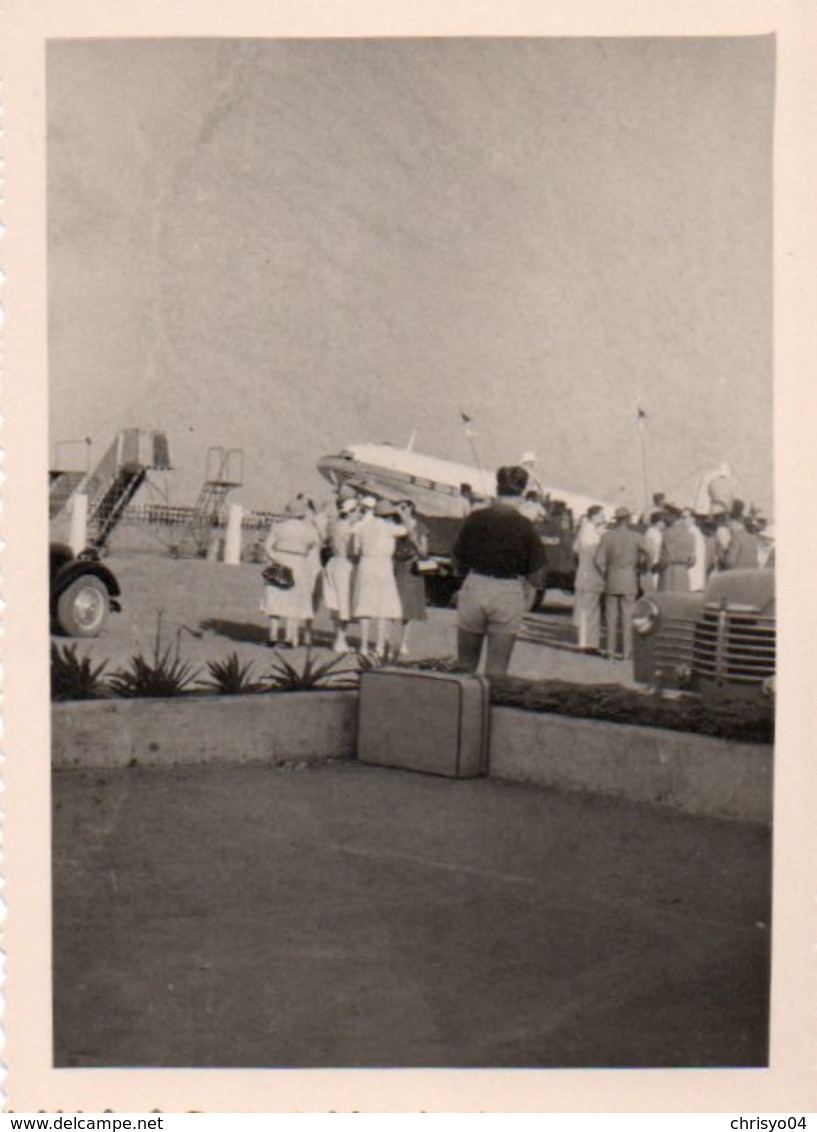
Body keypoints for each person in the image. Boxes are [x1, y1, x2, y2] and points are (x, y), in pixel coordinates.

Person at [453, 465, 546, 677]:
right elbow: (536, 576)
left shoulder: (475, 518)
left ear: (497, 487)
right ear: (522, 492)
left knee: (465, 666)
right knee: (497, 670)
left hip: (476, 584)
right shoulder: (526, 526)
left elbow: (457, 561)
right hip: (508, 589)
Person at [260, 498, 320, 648]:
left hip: (279, 559)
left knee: (275, 598)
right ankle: (289, 636)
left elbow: (267, 546)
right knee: (294, 600)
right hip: (299, 562)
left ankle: (272, 635)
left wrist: (276, 559)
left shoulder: (279, 527)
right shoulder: (309, 529)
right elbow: (314, 546)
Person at [351, 499, 407, 657]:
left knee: (364, 605)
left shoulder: (361, 528)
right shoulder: (390, 528)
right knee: (385, 607)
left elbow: (356, 551)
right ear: (388, 514)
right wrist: (402, 514)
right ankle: (379, 646)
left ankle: (363, 645)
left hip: (366, 564)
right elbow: (406, 529)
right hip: (383, 565)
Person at [593, 505, 647, 660]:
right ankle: (625, 652)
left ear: (616, 520)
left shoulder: (607, 536)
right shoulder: (636, 536)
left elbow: (598, 560)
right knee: (627, 616)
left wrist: (605, 573)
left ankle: (609, 651)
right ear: (628, 519)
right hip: (629, 578)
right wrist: (642, 567)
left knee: (610, 617)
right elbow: (649, 553)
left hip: (612, 578)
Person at [391, 500, 429, 657]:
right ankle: (390, 641)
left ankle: (404, 642)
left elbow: (424, 552)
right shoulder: (396, 526)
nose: (401, 510)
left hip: (412, 568)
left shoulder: (420, 527)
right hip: (397, 567)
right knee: (394, 606)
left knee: (409, 608)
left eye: (404, 507)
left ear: (411, 508)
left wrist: (414, 539)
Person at [321, 497, 359, 652]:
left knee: (335, 603)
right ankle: (340, 640)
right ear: (352, 512)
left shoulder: (333, 525)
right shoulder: (350, 530)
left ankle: (338, 638)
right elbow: (353, 551)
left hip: (333, 563)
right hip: (345, 564)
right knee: (344, 603)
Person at [572, 505, 606, 653]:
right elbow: (596, 557)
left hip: (583, 573)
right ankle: (589, 644)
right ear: (594, 516)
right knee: (590, 611)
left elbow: (574, 550)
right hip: (591, 576)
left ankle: (585, 642)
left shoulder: (583, 530)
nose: (603, 518)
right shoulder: (591, 533)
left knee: (584, 610)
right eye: (601, 515)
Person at [657, 506, 696, 593]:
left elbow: (667, 558)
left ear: (673, 516)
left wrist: (658, 567)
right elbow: (692, 560)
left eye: (666, 516)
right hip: (683, 574)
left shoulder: (668, 533)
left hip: (669, 574)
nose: (664, 519)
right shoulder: (690, 535)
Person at [640, 510, 666, 594]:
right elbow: (654, 552)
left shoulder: (651, 532)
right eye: (663, 522)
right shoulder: (655, 534)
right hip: (653, 567)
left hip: (651, 567)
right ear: (659, 522)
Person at [684, 509, 708, 593]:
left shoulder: (692, 532)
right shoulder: (696, 532)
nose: (683, 520)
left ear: (693, 519)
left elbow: (692, 556)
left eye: (685, 517)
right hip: (696, 575)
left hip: (692, 573)